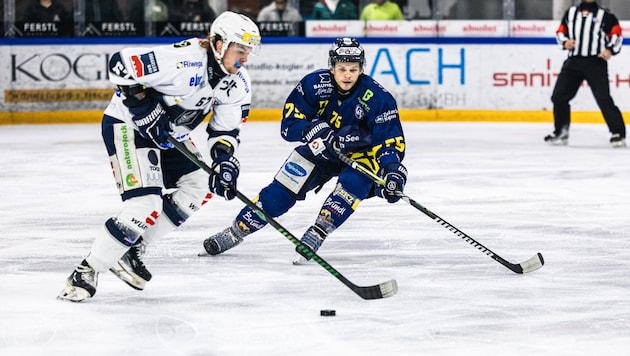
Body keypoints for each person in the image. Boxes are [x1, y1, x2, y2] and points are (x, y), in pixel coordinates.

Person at [57, 11, 262, 302]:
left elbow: (225, 130)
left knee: (201, 185)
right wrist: (144, 108)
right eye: (240, 50)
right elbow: (120, 64)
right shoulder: (185, 59)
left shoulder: (238, 83)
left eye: (248, 52)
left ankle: (131, 248)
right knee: (145, 204)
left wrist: (224, 160)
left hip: (170, 137)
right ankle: (86, 270)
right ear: (219, 44)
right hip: (127, 125)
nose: (244, 58)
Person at [201, 37, 407, 265]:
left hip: (361, 155)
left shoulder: (378, 99)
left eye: (353, 69)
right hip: (323, 150)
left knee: (352, 183)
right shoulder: (314, 84)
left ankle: (318, 232)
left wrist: (391, 171)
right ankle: (235, 232)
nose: (347, 75)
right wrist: (311, 129)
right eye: (341, 69)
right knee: (278, 195)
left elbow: (388, 140)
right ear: (332, 67)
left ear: (361, 69)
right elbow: (288, 126)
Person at [545, 0, 626, 148]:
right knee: (559, 96)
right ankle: (561, 131)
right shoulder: (571, 13)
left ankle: (618, 133)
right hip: (574, 61)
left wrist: (610, 50)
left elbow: (617, 34)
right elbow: (561, 31)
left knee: (603, 99)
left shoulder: (605, 15)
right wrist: (564, 42)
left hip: (595, 62)